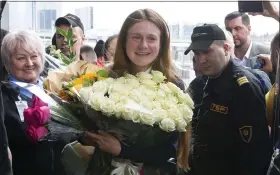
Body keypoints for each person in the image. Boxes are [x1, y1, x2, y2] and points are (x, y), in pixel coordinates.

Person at [82, 8, 189, 174]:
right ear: (124, 41)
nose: (143, 45)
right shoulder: (104, 79)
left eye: (152, 38)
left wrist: (122, 150)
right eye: (136, 37)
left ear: (162, 44)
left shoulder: (173, 85)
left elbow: (171, 150)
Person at [184, 24, 271, 175]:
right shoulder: (201, 83)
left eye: (206, 52)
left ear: (225, 48)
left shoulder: (243, 87)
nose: (201, 60)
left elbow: (255, 151)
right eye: (197, 54)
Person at [0, 30, 69, 175]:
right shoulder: (3, 97)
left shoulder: (57, 91)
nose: (29, 63)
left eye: (34, 56)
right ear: (7, 62)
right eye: (21, 58)